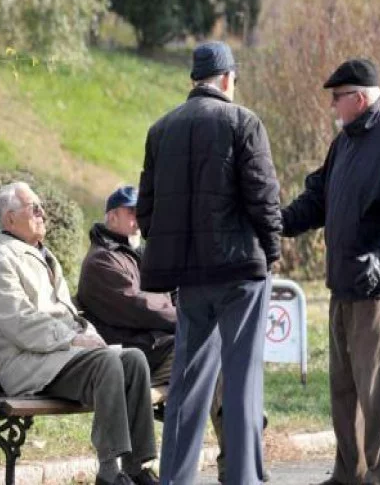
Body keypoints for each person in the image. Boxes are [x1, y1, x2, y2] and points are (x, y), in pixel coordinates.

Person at [137, 41, 282, 485]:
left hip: (190, 279)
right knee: (241, 384)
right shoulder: (244, 122)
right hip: (240, 274)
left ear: (194, 79)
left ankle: (175, 479)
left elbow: (146, 210)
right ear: (226, 78)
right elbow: (264, 198)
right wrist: (272, 251)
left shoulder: (161, 129)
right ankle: (243, 479)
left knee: (187, 383)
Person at [281, 59, 380, 485]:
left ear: (359, 99)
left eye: (337, 97)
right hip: (342, 285)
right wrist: (278, 221)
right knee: (344, 391)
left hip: (375, 292)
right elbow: (318, 199)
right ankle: (349, 474)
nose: (332, 105)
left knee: (377, 393)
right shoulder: (344, 142)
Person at [78, 185, 269, 483]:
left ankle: (236, 452)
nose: (139, 218)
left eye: (141, 212)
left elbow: (172, 293)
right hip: (134, 358)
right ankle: (239, 445)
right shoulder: (103, 261)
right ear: (112, 216)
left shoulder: (136, 254)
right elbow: (141, 306)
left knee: (214, 354)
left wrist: (184, 309)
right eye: (132, 212)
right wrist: (190, 318)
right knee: (213, 355)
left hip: (155, 350)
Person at [0, 182, 160, 485]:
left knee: (134, 360)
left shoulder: (42, 255)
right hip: (27, 364)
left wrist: (87, 333)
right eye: (34, 208)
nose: (43, 213)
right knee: (107, 363)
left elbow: (67, 313)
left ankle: (136, 466)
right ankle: (108, 470)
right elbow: (20, 323)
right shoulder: (1, 260)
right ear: (9, 219)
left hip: (55, 357)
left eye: (41, 207)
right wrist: (73, 339)